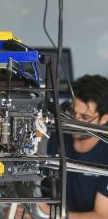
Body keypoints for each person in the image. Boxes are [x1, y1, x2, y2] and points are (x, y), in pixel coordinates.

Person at [39, 74, 108, 218]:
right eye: (72, 113)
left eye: (85, 117)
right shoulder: (54, 136)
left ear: (105, 118)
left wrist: (53, 214)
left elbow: (102, 215)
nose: (75, 122)